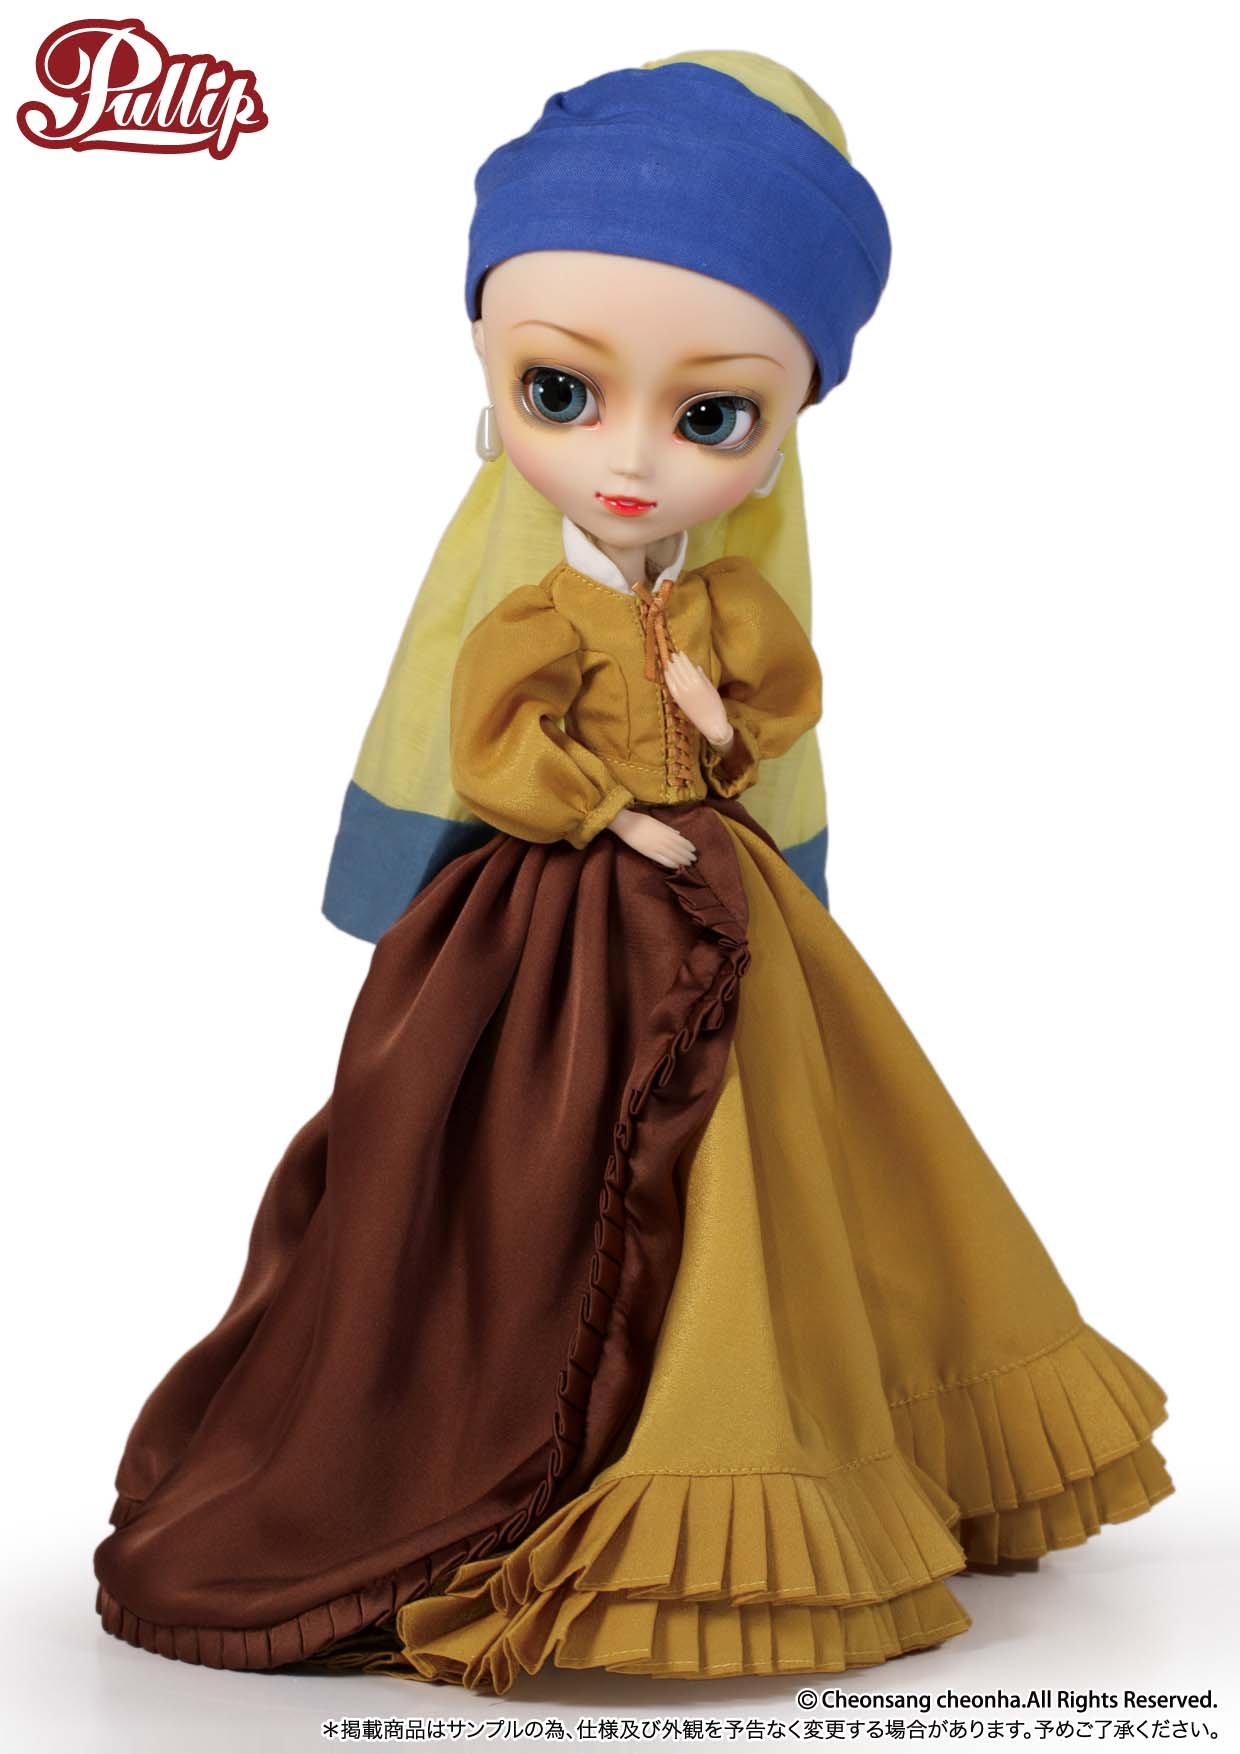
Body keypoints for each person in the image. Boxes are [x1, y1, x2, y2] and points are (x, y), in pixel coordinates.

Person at [93, 50, 1173, 1695]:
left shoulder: (726, 605)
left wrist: (715, 724)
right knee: (495, 1169)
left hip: (725, 907)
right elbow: (496, 745)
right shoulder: (534, 612)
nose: (631, 458)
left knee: (777, 1167)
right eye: (562, 391)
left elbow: (779, 703)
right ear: (491, 376)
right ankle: (502, 1453)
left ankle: (758, 1443)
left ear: (783, 431)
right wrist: (606, 809)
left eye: (711, 415)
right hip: (542, 925)